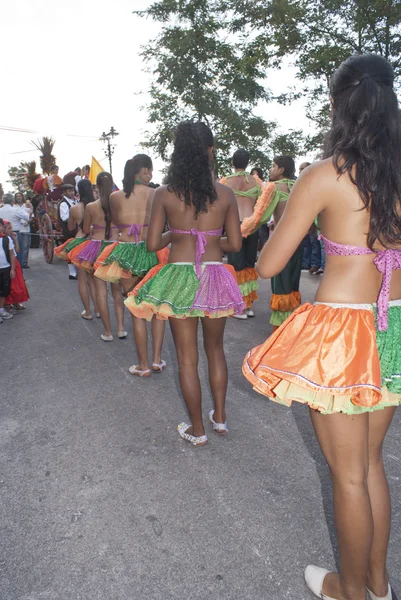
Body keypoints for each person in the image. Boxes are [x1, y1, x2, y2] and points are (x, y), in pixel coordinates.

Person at [243, 54, 401, 600]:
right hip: (395, 327)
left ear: (337, 106)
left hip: (343, 335)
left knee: (349, 474)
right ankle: (378, 584)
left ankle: (350, 592)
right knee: (371, 464)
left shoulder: (325, 175)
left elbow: (266, 266)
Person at [125, 121, 243, 445]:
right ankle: (219, 418)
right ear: (210, 151)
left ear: (177, 154)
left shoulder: (164, 194)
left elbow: (152, 245)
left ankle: (197, 429)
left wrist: (178, 234)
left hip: (178, 276)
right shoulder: (225, 193)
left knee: (186, 357)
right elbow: (235, 243)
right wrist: (210, 241)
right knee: (216, 350)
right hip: (215, 276)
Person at [94, 154, 166, 371]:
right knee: (157, 308)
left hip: (126, 252)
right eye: (150, 170)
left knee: (136, 309)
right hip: (154, 250)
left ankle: (142, 365)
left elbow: (117, 223)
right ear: (144, 171)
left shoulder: (115, 197)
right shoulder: (156, 193)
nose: (151, 174)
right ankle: (156, 360)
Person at [75, 172, 126, 341]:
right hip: (114, 247)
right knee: (117, 290)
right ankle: (120, 329)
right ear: (112, 184)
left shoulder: (90, 206)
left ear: (96, 186)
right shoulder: (118, 203)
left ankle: (108, 332)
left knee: (101, 292)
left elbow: (86, 227)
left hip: (96, 248)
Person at [221, 149, 262, 319]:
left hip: (234, 225)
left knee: (235, 265)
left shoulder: (225, 181)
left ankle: (238, 307)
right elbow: (262, 204)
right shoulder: (256, 182)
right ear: (247, 163)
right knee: (248, 264)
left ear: (233, 162)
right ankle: (248, 305)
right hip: (252, 225)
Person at [267, 155, 302, 329]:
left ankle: (281, 328)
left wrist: (245, 229)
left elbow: (263, 216)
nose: (270, 169)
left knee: (280, 283)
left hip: (281, 241)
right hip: (298, 240)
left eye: (273, 166)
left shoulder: (275, 187)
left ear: (281, 169)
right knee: (293, 281)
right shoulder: (299, 186)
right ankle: (292, 323)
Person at [62, 179, 99, 320]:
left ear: (78, 190)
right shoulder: (97, 206)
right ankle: (98, 309)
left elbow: (70, 227)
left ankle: (88, 312)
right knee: (95, 280)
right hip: (94, 242)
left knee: (82, 280)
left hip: (79, 242)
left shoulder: (74, 208)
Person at [3, 220, 29, 310]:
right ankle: (8, 304)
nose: (11, 230)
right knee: (10, 286)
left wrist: (15, 240)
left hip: (15, 264)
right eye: (9, 228)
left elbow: (17, 251)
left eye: (11, 228)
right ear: (3, 229)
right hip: (8, 264)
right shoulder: (4, 239)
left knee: (18, 285)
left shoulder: (10, 238)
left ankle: (16, 302)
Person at [0, 193, 31, 266]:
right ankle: (18, 275)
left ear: (3, 201)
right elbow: (27, 217)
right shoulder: (15, 210)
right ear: (12, 201)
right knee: (17, 255)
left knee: (4, 255)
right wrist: (30, 210)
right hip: (14, 235)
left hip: (2, 235)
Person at [58, 184, 78, 280]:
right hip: (69, 230)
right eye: (69, 191)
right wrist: (74, 216)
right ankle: (72, 273)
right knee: (70, 251)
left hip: (75, 229)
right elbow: (64, 217)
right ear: (65, 192)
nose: (72, 193)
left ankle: (76, 271)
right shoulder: (64, 203)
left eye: (72, 190)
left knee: (76, 250)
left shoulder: (74, 201)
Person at [0, 218, 16, 322]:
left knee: (4, 291)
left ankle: (1, 309)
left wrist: (13, 269)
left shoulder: (7, 239)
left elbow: (12, 255)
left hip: (5, 268)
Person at [14, 192, 31, 268]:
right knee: (17, 247)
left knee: (25, 246)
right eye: (17, 196)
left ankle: (24, 262)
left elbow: (32, 216)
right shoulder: (13, 206)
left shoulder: (27, 205)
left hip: (26, 229)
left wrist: (28, 221)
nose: (18, 197)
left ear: (22, 197)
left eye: (19, 196)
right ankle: (18, 262)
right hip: (17, 229)